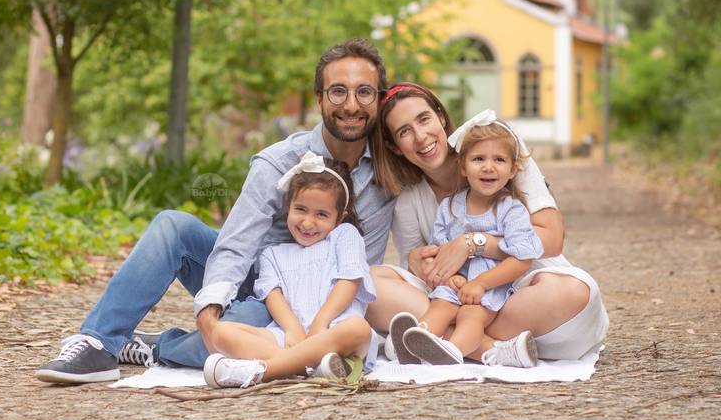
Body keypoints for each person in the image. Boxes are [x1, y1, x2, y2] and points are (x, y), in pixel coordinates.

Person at [36, 38, 394, 384]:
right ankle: (99, 342)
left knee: (243, 324)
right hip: (260, 284)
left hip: (313, 301)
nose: (351, 104)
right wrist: (208, 315)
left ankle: (159, 346)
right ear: (319, 99)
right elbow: (234, 245)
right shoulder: (278, 162)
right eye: (338, 91)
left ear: (377, 100)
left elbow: (362, 267)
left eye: (364, 91)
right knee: (173, 226)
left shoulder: (386, 174)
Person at [367, 83, 609, 367]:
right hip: (454, 297)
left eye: (424, 119)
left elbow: (552, 238)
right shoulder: (409, 198)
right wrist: (421, 263)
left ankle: (441, 339)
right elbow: (423, 272)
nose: (421, 137)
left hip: (520, 296)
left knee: (575, 290)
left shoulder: (496, 147)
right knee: (365, 283)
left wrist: (472, 245)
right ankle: (491, 349)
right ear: (395, 147)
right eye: (404, 131)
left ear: (441, 118)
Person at [204, 153, 374, 388]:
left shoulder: (344, 236)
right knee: (222, 333)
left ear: (338, 218)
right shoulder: (273, 254)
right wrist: (293, 328)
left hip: (335, 330)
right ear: (288, 207)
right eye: (301, 209)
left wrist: (320, 323)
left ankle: (264, 370)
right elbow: (272, 294)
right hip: (287, 337)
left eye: (321, 214)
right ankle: (312, 368)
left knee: (359, 329)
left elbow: (349, 280)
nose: (307, 222)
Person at [389, 110, 544, 367]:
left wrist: (481, 284)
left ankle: (453, 350)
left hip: (489, 289)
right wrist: (450, 278)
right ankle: (415, 339)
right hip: (454, 283)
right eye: (478, 158)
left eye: (499, 160)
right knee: (438, 306)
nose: (488, 167)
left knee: (470, 317)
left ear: (512, 169)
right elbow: (439, 252)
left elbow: (522, 259)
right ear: (463, 166)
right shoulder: (450, 207)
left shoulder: (510, 209)